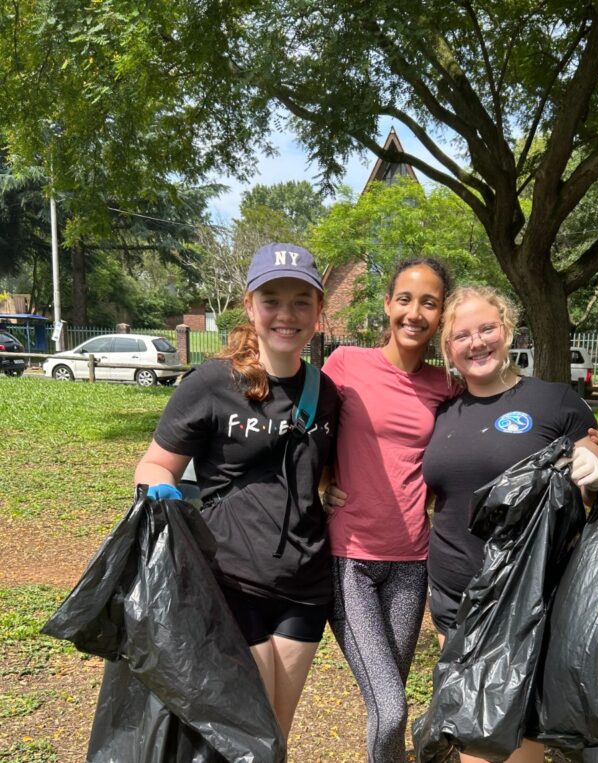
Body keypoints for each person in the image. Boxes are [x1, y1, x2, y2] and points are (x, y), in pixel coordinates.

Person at [134, 242, 339, 742]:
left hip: (305, 586)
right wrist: (160, 489)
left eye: (300, 301)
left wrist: (334, 489)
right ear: (249, 305)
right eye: (272, 300)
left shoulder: (327, 392)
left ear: (318, 311)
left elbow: (321, 468)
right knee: (243, 732)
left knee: (276, 733)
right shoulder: (211, 383)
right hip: (229, 580)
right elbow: (155, 463)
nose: (285, 315)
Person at [421, 285, 598, 763]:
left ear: (507, 331)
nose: (477, 342)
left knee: (510, 740)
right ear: (448, 349)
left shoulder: (553, 401)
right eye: (462, 335)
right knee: (474, 732)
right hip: (455, 597)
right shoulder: (442, 414)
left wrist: (591, 457)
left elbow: (593, 452)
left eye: (487, 328)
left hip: (530, 600)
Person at [321, 257, 455, 763]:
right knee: (392, 707)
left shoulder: (446, 386)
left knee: (388, 700)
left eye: (429, 302)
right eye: (405, 299)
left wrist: (586, 432)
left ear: (441, 315)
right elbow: (306, 429)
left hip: (411, 564)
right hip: (350, 558)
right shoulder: (346, 364)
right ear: (387, 304)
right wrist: (320, 480)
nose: (415, 312)